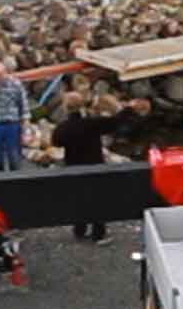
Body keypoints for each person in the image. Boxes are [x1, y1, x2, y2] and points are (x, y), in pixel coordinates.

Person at [52, 93, 152, 241]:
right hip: (95, 165)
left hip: (74, 168)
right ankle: (98, 233)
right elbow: (115, 121)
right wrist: (129, 108)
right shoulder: (93, 123)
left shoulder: (63, 128)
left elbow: (56, 142)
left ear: (66, 108)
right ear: (82, 106)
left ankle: (79, 230)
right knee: (98, 199)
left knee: (78, 198)